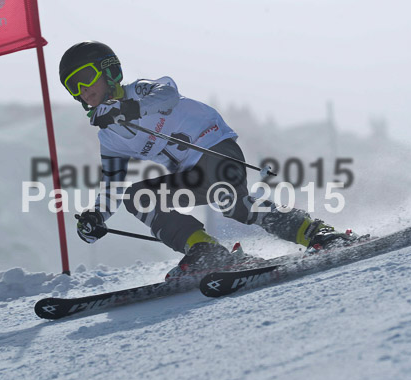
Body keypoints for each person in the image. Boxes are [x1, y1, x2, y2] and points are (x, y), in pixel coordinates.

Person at [60, 41, 354, 271]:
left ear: (109, 70)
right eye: (73, 86)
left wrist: (128, 109)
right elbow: (113, 183)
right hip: (193, 175)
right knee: (138, 197)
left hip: (216, 147)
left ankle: (315, 232)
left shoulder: (140, 91)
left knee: (231, 201)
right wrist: (96, 215)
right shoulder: (108, 137)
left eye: (86, 77)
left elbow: (168, 95)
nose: (82, 90)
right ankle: (204, 250)